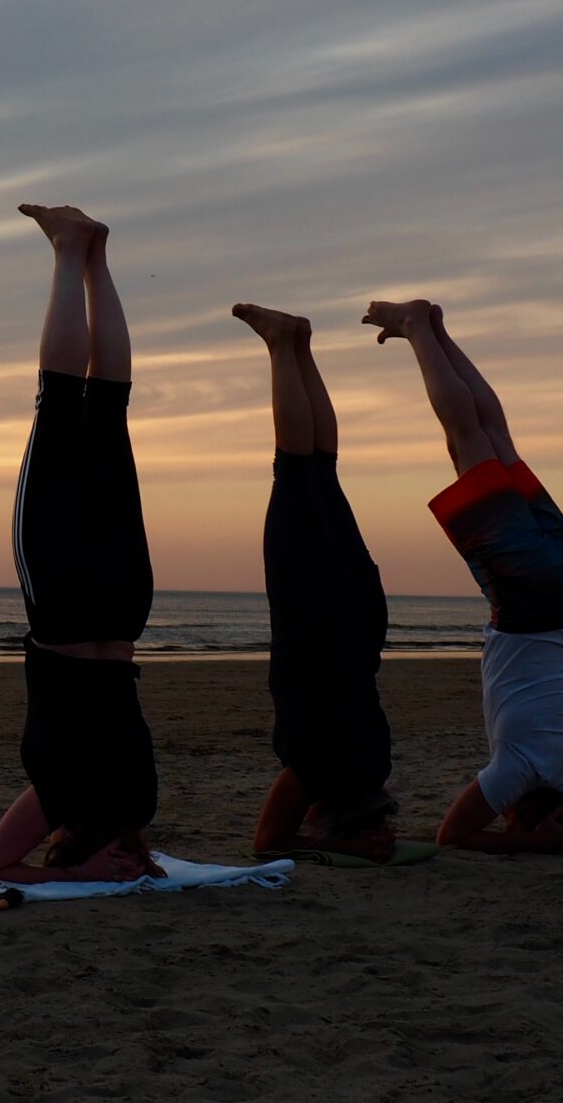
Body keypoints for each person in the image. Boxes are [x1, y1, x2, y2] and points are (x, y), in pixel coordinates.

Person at [364, 299, 563, 855]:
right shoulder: (516, 773)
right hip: (525, 596)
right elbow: (454, 835)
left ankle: (436, 329)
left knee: (497, 439)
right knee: (465, 440)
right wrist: (531, 844)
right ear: (519, 814)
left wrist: (556, 830)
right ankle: (418, 328)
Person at [0, 206, 163, 886]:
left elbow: (127, 836)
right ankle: (65, 249)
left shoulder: (138, 801)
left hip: (123, 611)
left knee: (109, 409)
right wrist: (75, 875)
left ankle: (97, 257)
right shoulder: (65, 795)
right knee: (58, 403)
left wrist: (122, 860)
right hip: (61, 603)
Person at [233, 304, 398, 861]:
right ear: (328, 820)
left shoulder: (374, 763)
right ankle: (283, 344)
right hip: (316, 617)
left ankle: (301, 345)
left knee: (323, 468)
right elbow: (269, 841)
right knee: (295, 467)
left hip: (361, 620)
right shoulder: (316, 767)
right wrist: (325, 846)